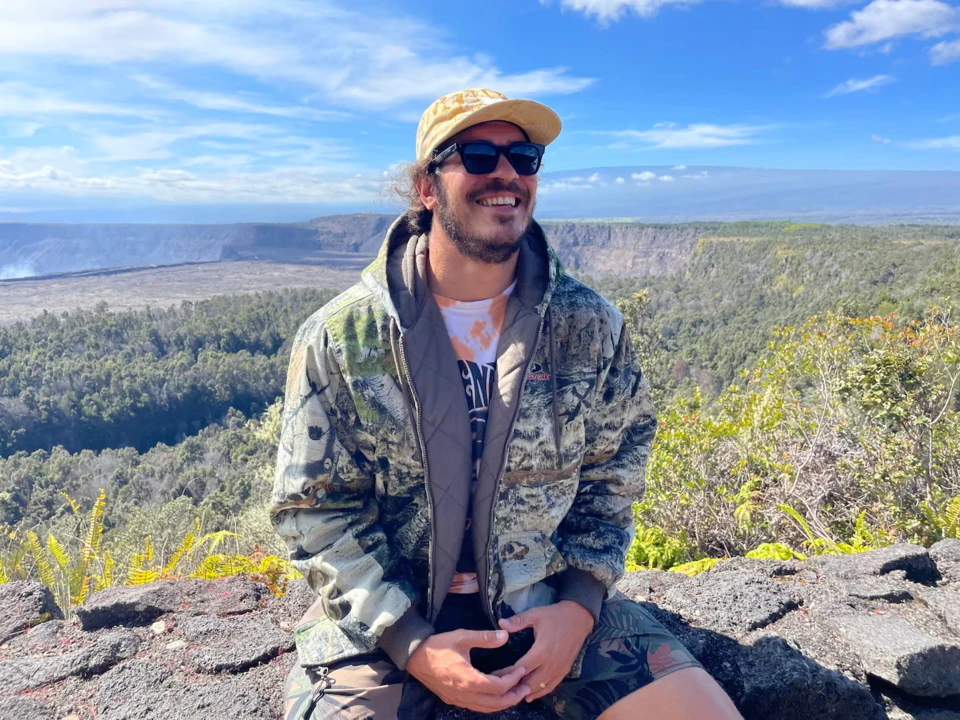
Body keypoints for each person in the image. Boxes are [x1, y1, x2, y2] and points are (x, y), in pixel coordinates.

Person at [271, 88, 743, 720]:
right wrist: (412, 645)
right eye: (478, 154)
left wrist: (577, 607)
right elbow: (315, 513)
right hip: (384, 627)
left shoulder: (590, 327)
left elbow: (613, 479)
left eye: (524, 157)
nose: (507, 174)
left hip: (544, 603)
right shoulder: (342, 337)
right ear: (427, 186)